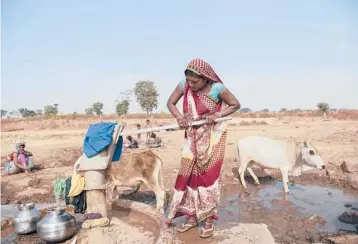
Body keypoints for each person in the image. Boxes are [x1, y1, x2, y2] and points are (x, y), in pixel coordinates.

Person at [166, 58, 241, 238]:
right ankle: (192, 217)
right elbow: (170, 103)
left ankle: (208, 220)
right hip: (191, 138)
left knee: (209, 179)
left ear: (206, 78)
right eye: (189, 81)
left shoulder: (217, 88)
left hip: (213, 139)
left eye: (195, 82)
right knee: (191, 177)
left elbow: (235, 104)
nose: (191, 85)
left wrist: (217, 114)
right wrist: (179, 117)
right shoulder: (184, 84)